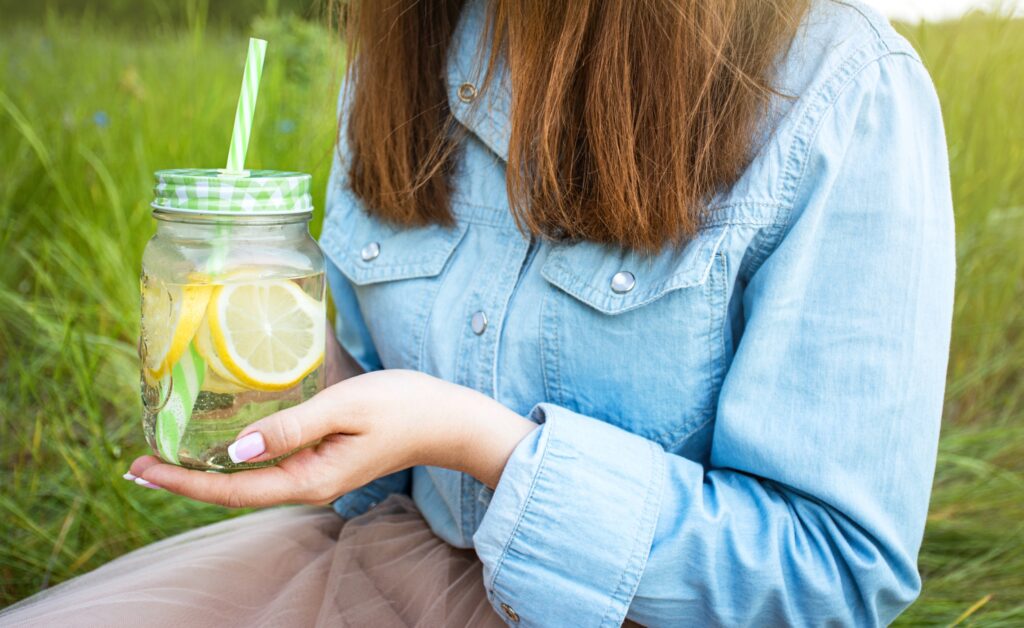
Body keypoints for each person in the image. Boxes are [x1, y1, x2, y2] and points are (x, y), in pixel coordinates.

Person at [1, 0, 954, 625]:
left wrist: (479, 443)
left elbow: (833, 572)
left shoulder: (843, 90)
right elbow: (372, 436)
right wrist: (268, 371)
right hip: (388, 564)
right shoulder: (404, 49)